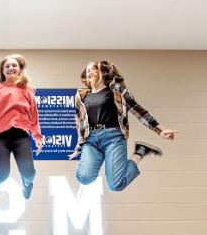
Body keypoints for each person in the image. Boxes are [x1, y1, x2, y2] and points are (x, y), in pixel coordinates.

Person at [69, 60, 178, 191]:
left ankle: (140, 151)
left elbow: (138, 111)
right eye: (87, 71)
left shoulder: (117, 90)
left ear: (101, 72)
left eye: (92, 69)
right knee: (84, 178)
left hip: (113, 138)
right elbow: (79, 122)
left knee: (116, 185)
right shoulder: (81, 96)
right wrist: (80, 144)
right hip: (91, 141)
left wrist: (160, 130)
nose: (88, 72)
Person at [0, 54, 44, 201]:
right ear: (2, 71)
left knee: (29, 173)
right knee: (2, 174)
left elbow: (33, 115)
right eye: (7, 66)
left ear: (20, 69)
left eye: (14, 65)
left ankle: (27, 184)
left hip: (21, 136)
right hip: (1, 137)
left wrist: (37, 136)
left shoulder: (28, 90)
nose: (11, 68)